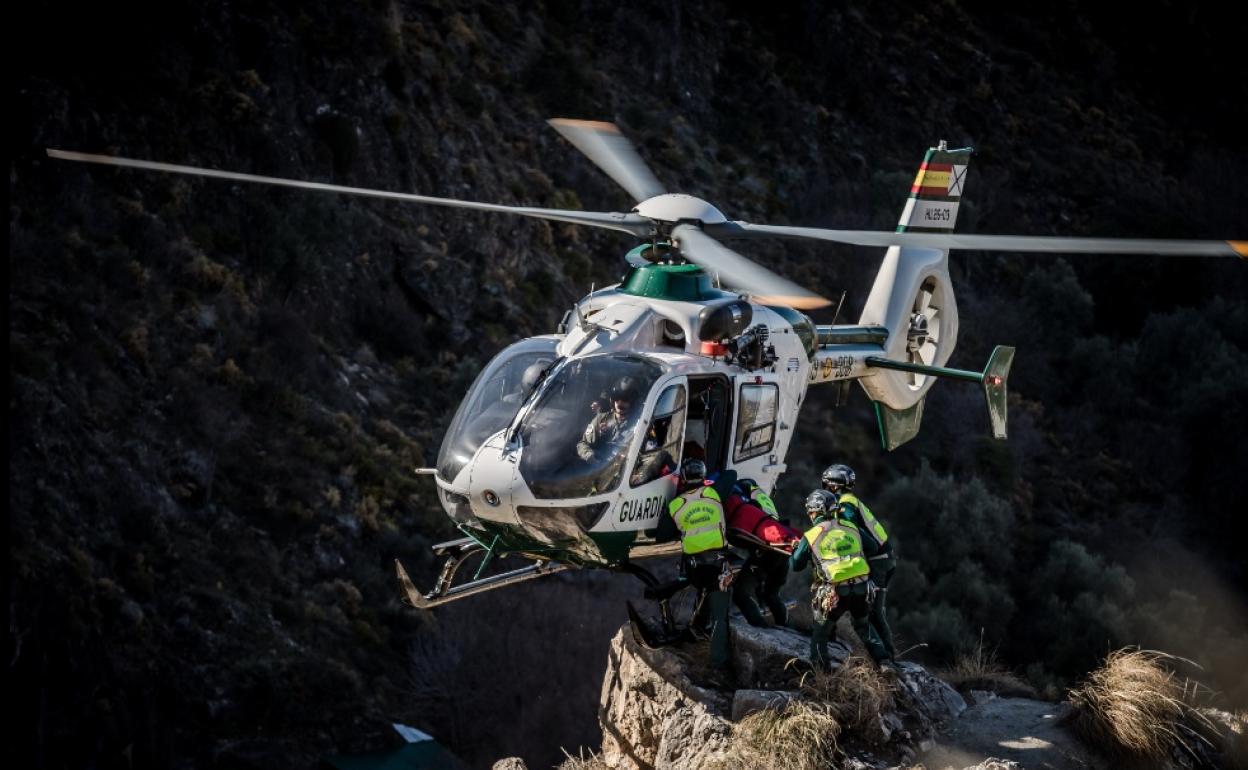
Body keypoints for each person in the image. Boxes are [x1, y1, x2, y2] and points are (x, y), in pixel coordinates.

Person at [790, 489, 891, 671]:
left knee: (820, 634)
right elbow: (873, 546)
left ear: (816, 511)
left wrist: (796, 549)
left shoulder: (811, 535)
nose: (809, 515)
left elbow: (795, 565)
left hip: (835, 592)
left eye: (810, 511)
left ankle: (823, 676)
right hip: (861, 586)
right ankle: (885, 662)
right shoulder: (850, 526)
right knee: (863, 625)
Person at [666, 458, 739, 671]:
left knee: (704, 591)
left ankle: (697, 629)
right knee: (719, 616)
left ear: (684, 479)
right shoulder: (713, 493)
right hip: (718, 566)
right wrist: (711, 481)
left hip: (694, 570)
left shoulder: (675, 505)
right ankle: (718, 664)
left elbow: (659, 533)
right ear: (703, 477)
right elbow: (732, 475)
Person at [822, 463, 897, 662]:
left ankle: (887, 659)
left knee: (871, 612)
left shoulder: (845, 506)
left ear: (833, 486)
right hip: (885, 559)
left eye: (827, 485)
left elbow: (856, 536)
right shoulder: (851, 500)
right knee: (873, 610)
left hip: (877, 560)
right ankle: (888, 657)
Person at [727, 480, 801, 627]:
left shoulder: (745, 502)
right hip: (780, 552)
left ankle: (762, 630)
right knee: (771, 594)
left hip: (766, 553)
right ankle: (785, 626)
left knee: (741, 594)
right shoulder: (762, 496)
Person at [577, 377, 638, 463]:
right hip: (598, 468)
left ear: (633, 402)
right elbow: (582, 444)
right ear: (612, 400)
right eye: (617, 397)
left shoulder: (639, 426)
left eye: (625, 399)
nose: (620, 403)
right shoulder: (601, 418)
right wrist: (589, 455)